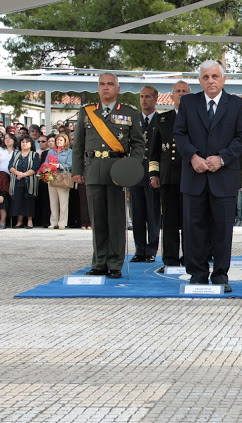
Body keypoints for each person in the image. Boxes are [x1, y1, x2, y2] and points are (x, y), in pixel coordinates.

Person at [174, 59, 242, 291]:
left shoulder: (237, 105)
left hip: (224, 177)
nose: (210, 81)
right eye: (205, 77)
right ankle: (197, 274)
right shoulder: (188, 102)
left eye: (215, 76)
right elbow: (179, 133)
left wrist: (223, 158)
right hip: (194, 176)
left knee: (222, 229)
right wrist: (193, 157)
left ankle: (220, 275)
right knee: (194, 229)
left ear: (224, 79)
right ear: (200, 80)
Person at [72, 73, 145, 279]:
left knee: (116, 220)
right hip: (93, 170)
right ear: (98, 88)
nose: (106, 88)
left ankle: (115, 264)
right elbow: (78, 144)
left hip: (118, 172)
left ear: (118, 89)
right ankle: (99, 263)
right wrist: (77, 170)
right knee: (98, 220)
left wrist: (132, 165)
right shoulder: (86, 112)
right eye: (102, 84)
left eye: (110, 84)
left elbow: (139, 143)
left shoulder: (130, 113)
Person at [149, 80, 190, 271]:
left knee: (191, 220)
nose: (181, 94)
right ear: (171, 96)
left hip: (191, 177)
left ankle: (191, 257)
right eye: (177, 91)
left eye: (184, 91)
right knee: (170, 221)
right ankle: (170, 259)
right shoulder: (162, 119)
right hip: (168, 177)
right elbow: (154, 150)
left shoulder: (196, 118)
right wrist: (154, 174)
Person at [130, 85, 161, 263]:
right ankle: (139, 249)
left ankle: (151, 250)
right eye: (142, 96)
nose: (144, 100)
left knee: (153, 213)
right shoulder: (134, 120)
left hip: (153, 172)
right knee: (138, 213)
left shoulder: (161, 120)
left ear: (155, 99)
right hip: (136, 172)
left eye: (148, 97)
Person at [8, 136, 40, 228]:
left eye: (27, 142)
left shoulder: (34, 155)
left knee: (29, 200)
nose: (24, 144)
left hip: (29, 181)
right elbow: (10, 167)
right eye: (23, 142)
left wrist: (24, 174)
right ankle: (19, 221)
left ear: (30, 144)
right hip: (17, 181)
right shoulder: (15, 154)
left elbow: (35, 167)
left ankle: (29, 221)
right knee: (18, 200)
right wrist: (18, 173)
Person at [47, 133, 73, 229]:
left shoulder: (69, 152)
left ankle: (62, 222)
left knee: (63, 201)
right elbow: (46, 162)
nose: (58, 142)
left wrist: (59, 166)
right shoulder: (51, 151)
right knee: (53, 201)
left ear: (65, 141)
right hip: (51, 176)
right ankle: (53, 222)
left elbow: (70, 165)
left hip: (63, 177)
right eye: (57, 140)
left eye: (61, 140)